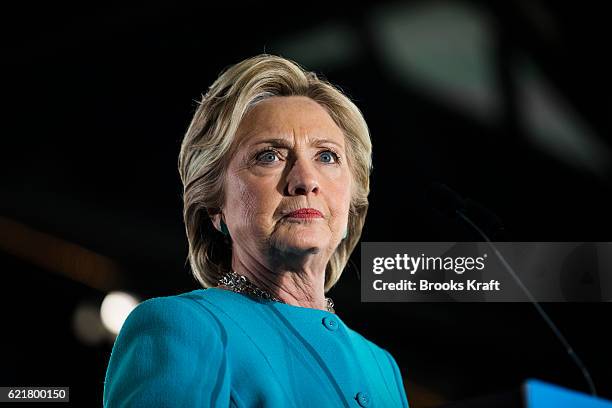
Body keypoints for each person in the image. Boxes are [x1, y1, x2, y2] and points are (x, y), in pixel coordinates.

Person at [103, 54, 409, 407]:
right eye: (269, 156)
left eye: (327, 157)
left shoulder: (382, 366)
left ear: (351, 201)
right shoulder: (182, 326)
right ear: (214, 206)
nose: (306, 180)